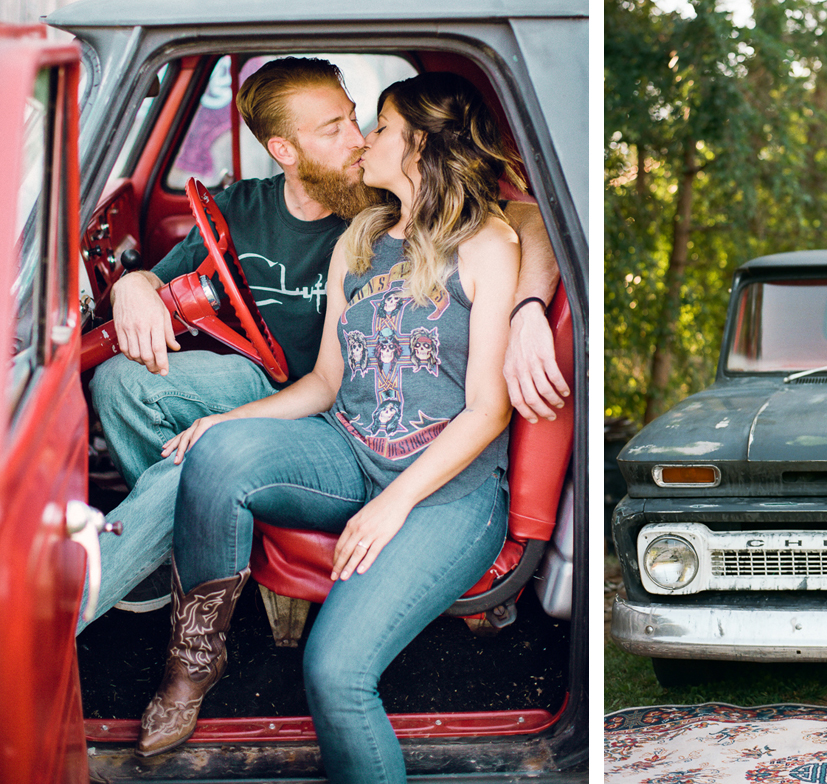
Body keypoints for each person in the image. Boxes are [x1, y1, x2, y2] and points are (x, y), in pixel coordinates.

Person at [82, 57, 567, 631]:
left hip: (334, 409)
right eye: (333, 130)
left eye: (358, 120)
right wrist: (134, 285)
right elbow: (159, 278)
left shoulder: (384, 204)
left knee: (194, 465)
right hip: (258, 382)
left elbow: (530, 222)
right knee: (115, 382)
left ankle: (66, 605)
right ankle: (168, 546)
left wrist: (529, 308)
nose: (359, 141)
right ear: (286, 151)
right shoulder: (239, 206)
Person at [135, 72, 517, 782]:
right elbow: (325, 384)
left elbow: (488, 411)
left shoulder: (487, 242)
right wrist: (227, 418)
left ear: (422, 147)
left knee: (337, 676)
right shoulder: (363, 238)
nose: (364, 140)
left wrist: (391, 505)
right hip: (349, 448)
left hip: (447, 491)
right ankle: (195, 660)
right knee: (217, 453)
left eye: (380, 127)